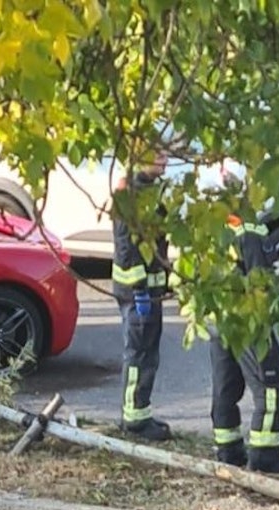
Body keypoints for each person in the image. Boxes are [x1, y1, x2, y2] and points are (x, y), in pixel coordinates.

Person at [209, 214, 279, 473]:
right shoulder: (249, 230)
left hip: (221, 320)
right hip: (249, 323)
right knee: (271, 389)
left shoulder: (214, 223)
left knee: (226, 388)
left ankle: (228, 451)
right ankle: (265, 459)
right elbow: (260, 283)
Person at [111, 149, 172, 441]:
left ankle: (140, 412)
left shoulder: (152, 190)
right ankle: (133, 420)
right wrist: (139, 290)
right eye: (158, 156)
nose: (165, 160)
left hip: (151, 288)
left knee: (148, 354)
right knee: (139, 354)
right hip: (138, 292)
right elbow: (126, 247)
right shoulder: (129, 194)